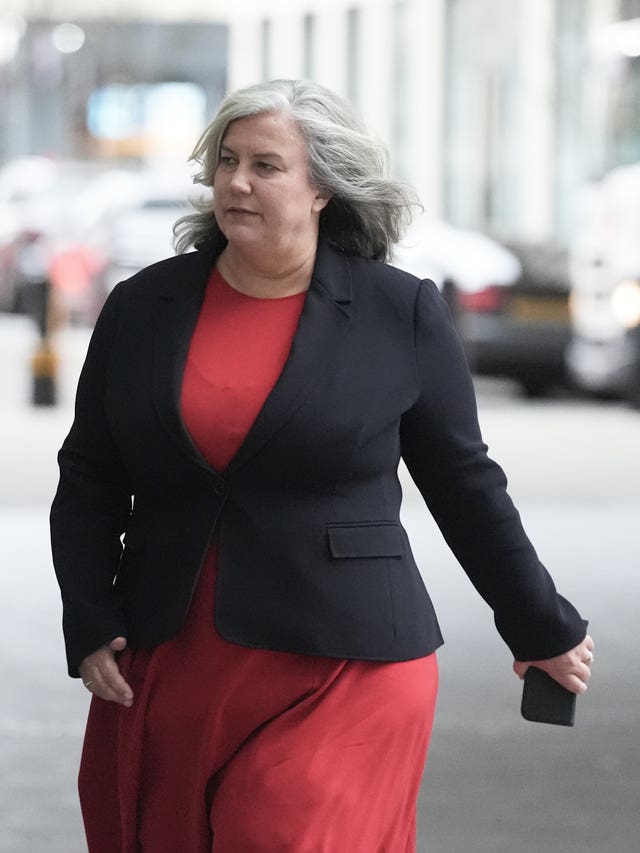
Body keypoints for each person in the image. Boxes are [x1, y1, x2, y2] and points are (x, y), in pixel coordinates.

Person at [50, 78, 594, 853]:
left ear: (322, 189)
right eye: (228, 161)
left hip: (347, 659)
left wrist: (540, 623)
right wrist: (89, 614)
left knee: (279, 833)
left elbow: (465, 485)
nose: (237, 181)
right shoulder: (143, 307)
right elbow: (89, 479)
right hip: (175, 653)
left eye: (266, 165)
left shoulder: (399, 310)